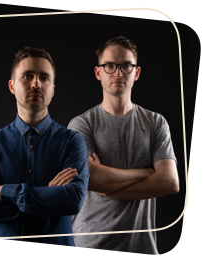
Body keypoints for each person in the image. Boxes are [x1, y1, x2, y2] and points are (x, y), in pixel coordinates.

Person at [0, 46, 90, 248]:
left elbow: (74, 200)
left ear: (52, 90)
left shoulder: (72, 141)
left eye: (44, 78)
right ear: (12, 85)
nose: (36, 84)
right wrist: (47, 200)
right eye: (27, 76)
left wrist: (6, 192)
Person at [67, 36, 179, 255]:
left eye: (126, 65)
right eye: (109, 65)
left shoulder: (156, 122)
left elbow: (170, 182)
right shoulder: (81, 124)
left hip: (142, 247)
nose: (118, 73)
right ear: (98, 72)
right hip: (90, 242)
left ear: (136, 72)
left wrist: (108, 189)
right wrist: (147, 172)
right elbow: (92, 178)